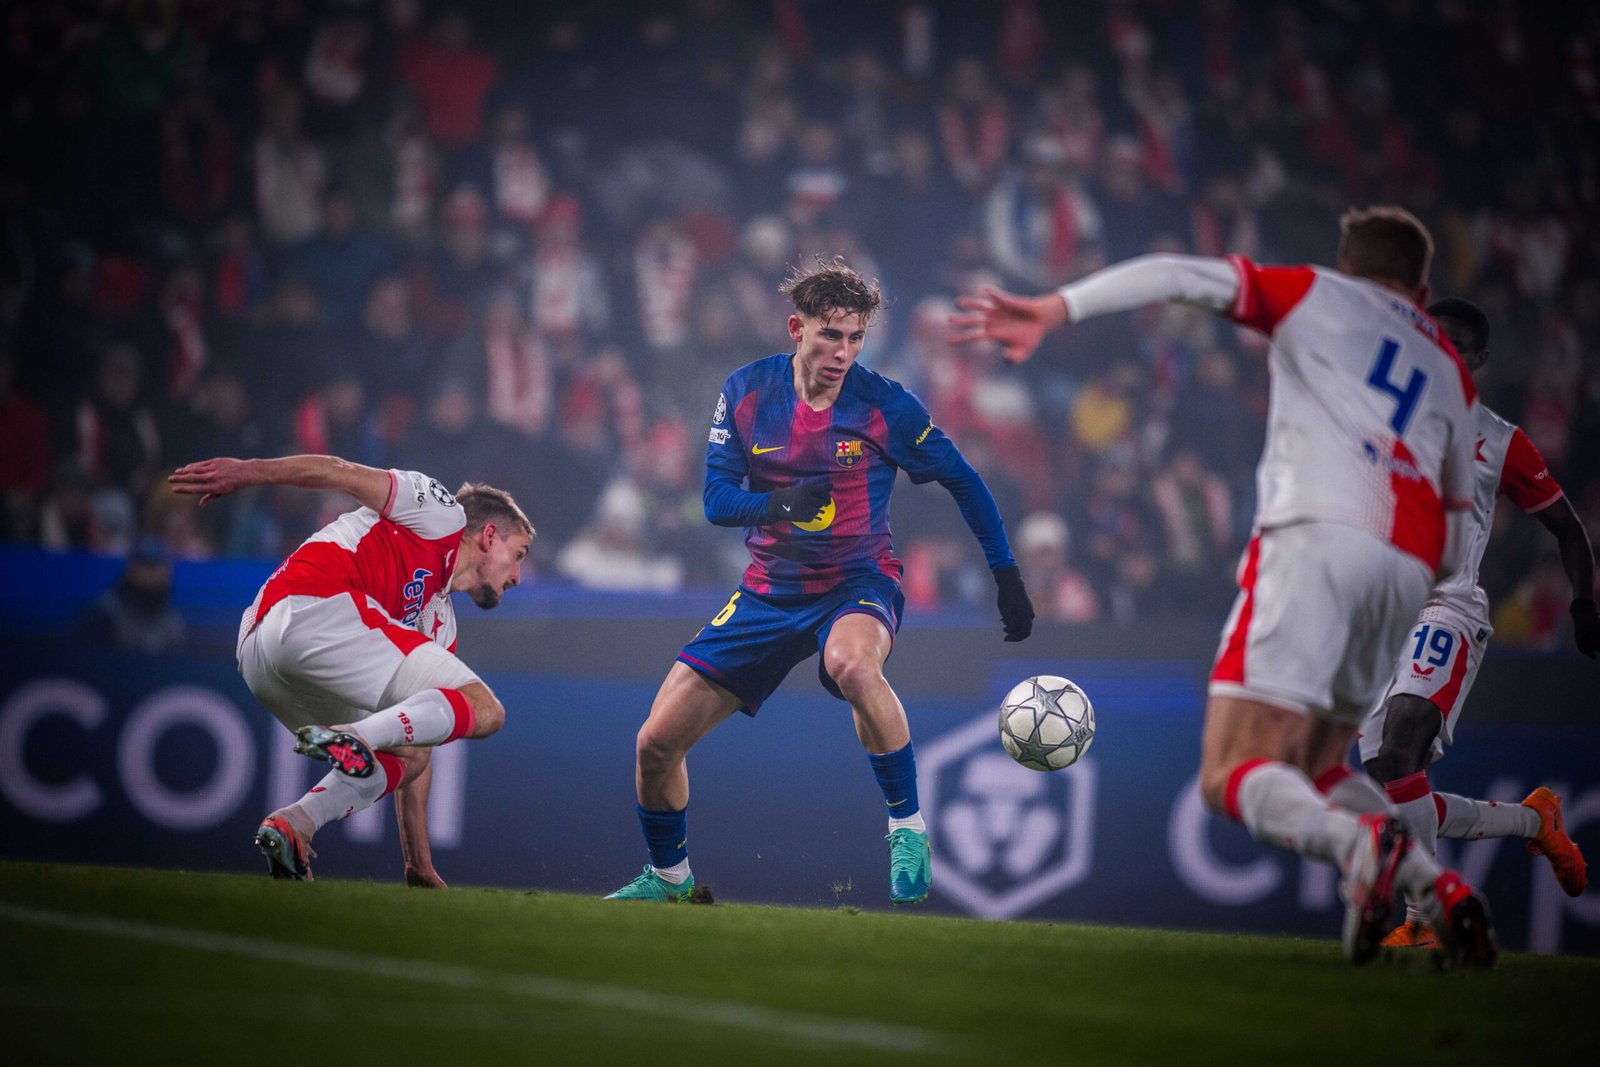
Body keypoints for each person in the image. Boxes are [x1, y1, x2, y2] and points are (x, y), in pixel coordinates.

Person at [951, 207, 1496, 966]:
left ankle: (1364, 847)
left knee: (1228, 773)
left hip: (1313, 535)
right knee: (1323, 769)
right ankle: (1437, 888)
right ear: (1423, 289)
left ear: (1347, 266)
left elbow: (1178, 273)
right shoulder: (1449, 369)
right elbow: (1460, 523)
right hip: (1408, 572)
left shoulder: (1314, 294)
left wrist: (1055, 307)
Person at [606, 257, 1034, 905]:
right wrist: (780, 504)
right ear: (796, 328)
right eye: (831, 334)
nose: (843, 352)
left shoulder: (885, 404)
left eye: (855, 337)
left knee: (852, 664)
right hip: (768, 591)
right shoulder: (747, 392)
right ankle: (669, 878)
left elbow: (964, 480)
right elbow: (717, 500)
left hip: (857, 582)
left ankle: (908, 829)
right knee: (655, 743)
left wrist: (1005, 574)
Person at [169, 454, 533, 886]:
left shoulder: (439, 618)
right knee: (487, 710)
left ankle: (295, 824)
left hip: (259, 656)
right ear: (489, 535)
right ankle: (357, 736)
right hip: (310, 603)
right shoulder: (442, 513)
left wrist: (419, 863)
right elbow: (341, 473)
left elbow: (418, 733)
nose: (518, 575)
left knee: (412, 752)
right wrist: (249, 473)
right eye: (518, 554)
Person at [1359, 299, 1594, 948]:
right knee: (1396, 786)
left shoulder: (1501, 440)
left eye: (1457, 347)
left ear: (1479, 361)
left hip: (1448, 606)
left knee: (1402, 744)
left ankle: (1425, 918)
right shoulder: (1381, 414)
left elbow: (1567, 527)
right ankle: (1535, 821)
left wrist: (1582, 604)